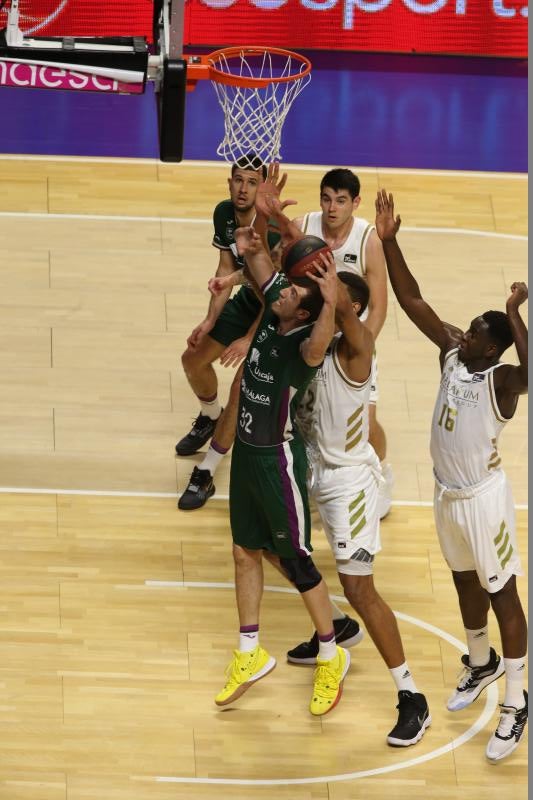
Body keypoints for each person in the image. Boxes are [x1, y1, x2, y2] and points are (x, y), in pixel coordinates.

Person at [374, 188, 528, 762]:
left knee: (503, 593)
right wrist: (391, 242)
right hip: (446, 495)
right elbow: (413, 300)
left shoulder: (503, 382)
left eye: (476, 334)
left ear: (497, 348)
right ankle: (482, 662)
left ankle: (516, 699)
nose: (463, 335)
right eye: (465, 330)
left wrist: (514, 313)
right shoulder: (454, 353)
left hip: (484, 500)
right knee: (465, 584)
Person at [215, 165, 350, 716]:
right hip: (246, 458)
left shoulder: (306, 350)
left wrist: (332, 291)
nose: (280, 289)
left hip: (277, 461)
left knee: (295, 559)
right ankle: (249, 650)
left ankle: (329, 654)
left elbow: (323, 334)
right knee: (245, 551)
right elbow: (263, 265)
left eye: (294, 289)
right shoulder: (276, 311)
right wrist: (261, 232)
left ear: (307, 306)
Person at [286, 267, 430, 746]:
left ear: (351, 307)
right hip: (312, 469)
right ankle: (336, 627)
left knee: (361, 588)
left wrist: (339, 299)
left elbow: (349, 316)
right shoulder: (317, 341)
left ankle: (412, 696)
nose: (324, 297)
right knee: (275, 542)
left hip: (349, 484)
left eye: (336, 295)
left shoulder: (358, 351)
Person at [176, 153, 280, 510]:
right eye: (239, 180)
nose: (243, 188)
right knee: (192, 359)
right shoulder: (223, 213)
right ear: (229, 182)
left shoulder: (273, 226)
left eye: (252, 182)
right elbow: (225, 270)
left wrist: (249, 338)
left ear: (261, 186)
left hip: (278, 309)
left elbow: (273, 294)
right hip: (249, 300)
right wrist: (209, 321)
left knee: (242, 386)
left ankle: (206, 472)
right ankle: (210, 416)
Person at [292, 169, 393, 519]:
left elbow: (378, 306)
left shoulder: (368, 239)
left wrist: (360, 349)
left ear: (355, 202)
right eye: (326, 198)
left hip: (352, 347)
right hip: (312, 339)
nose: (332, 207)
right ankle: (312, 478)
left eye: (341, 200)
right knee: (307, 418)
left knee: (366, 418)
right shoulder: (302, 226)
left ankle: (381, 474)